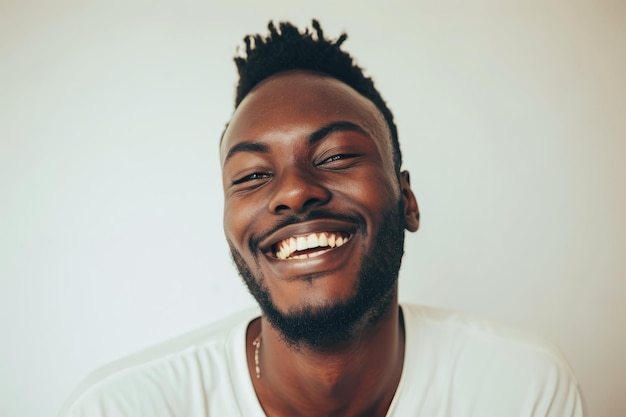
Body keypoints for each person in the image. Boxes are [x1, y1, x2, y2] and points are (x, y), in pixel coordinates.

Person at [59, 20, 584, 417]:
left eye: (334, 157)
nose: (292, 192)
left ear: (407, 200)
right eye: (252, 176)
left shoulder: (521, 389)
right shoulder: (124, 407)